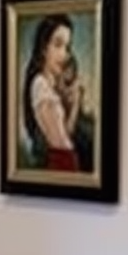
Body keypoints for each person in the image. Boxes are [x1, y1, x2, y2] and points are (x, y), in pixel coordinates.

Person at [21, 13, 81, 172]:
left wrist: (74, 103)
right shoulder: (40, 85)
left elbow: (65, 133)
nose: (64, 54)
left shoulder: (50, 86)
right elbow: (60, 144)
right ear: (43, 48)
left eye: (67, 47)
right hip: (61, 162)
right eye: (58, 44)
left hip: (64, 162)